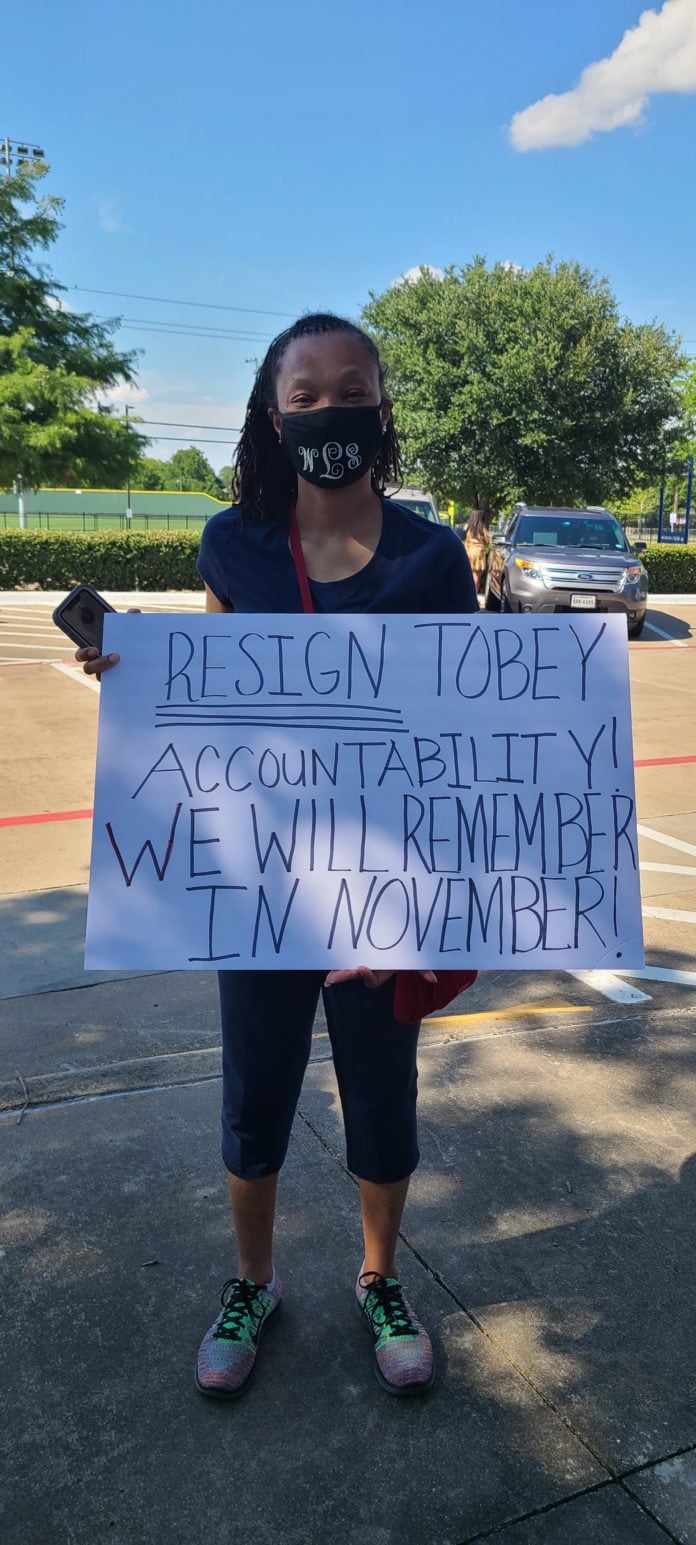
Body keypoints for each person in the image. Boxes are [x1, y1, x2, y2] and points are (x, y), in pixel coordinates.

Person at [76, 313, 478, 1402]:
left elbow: (467, 731)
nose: (331, 410)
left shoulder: (432, 556)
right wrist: (138, 676)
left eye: (353, 389)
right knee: (256, 1092)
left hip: (382, 887)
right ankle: (253, 1282)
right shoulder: (231, 544)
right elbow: (210, 687)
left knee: (381, 1089)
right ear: (272, 414)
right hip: (257, 884)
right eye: (306, 395)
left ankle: (380, 1277)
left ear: (383, 409)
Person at [464, 509, 491, 594]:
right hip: (478, 553)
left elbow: (462, 535)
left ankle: (469, 593)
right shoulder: (482, 527)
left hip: (468, 551)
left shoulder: (467, 526)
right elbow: (488, 541)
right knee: (476, 576)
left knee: (469, 574)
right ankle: (474, 594)